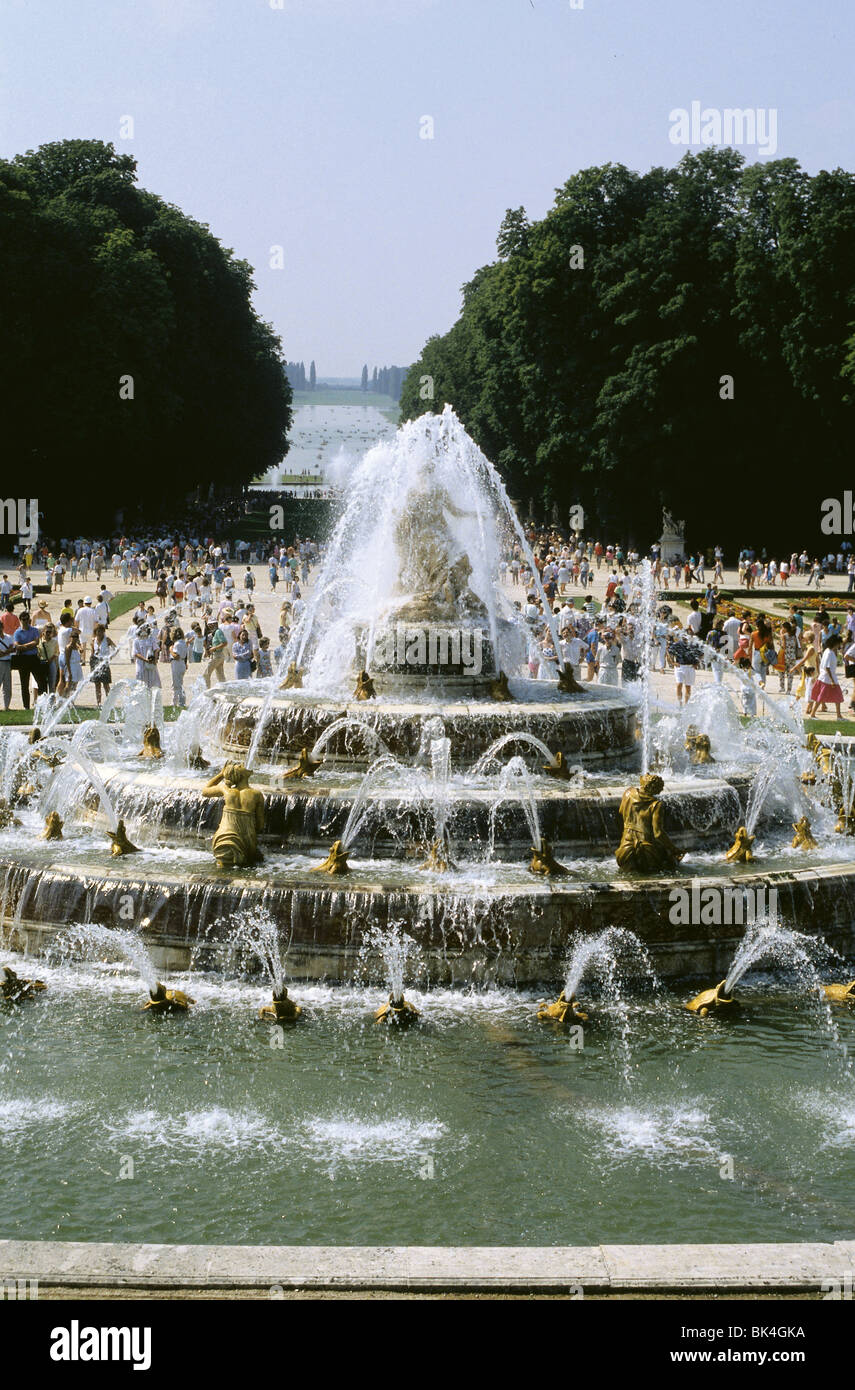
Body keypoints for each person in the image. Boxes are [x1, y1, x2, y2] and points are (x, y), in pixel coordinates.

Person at [806, 634, 844, 717]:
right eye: (839, 644)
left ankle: (839, 715)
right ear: (835, 643)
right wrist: (832, 680)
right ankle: (813, 714)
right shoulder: (829, 653)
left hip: (827, 678)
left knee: (837, 696)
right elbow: (827, 667)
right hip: (827, 679)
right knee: (823, 697)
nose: (839, 645)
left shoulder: (828, 651)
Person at [90, 624, 117, 707]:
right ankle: (99, 703)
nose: (100, 633)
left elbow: (115, 648)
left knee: (106, 684)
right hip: (95, 662)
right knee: (97, 684)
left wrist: (111, 656)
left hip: (104, 662)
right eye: (98, 631)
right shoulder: (93, 640)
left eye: (101, 631)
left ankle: (109, 702)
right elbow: (92, 652)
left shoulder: (107, 640)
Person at [169, 627, 189, 708]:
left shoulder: (177, 644)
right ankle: (177, 700)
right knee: (179, 683)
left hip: (177, 663)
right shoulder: (183, 642)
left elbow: (176, 656)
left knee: (177, 684)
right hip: (182, 663)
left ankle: (179, 702)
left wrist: (170, 650)